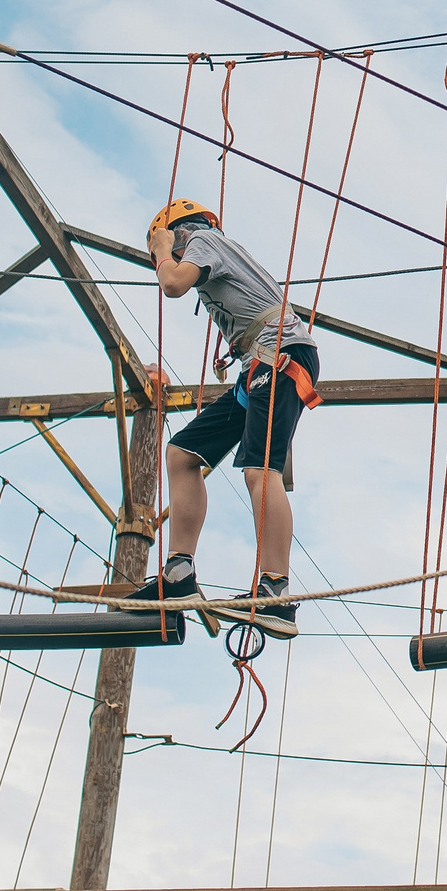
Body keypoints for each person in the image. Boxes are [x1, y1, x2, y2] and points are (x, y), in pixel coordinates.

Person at [143, 199, 321, 637]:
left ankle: (275, 593)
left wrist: (164, 250)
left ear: (175, 232)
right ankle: (179, 573)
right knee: (182, 454)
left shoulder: (202, 240)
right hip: (257, 363)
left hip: (278, 354)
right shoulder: (215, 248)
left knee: (261, 469)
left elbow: (173, 284)